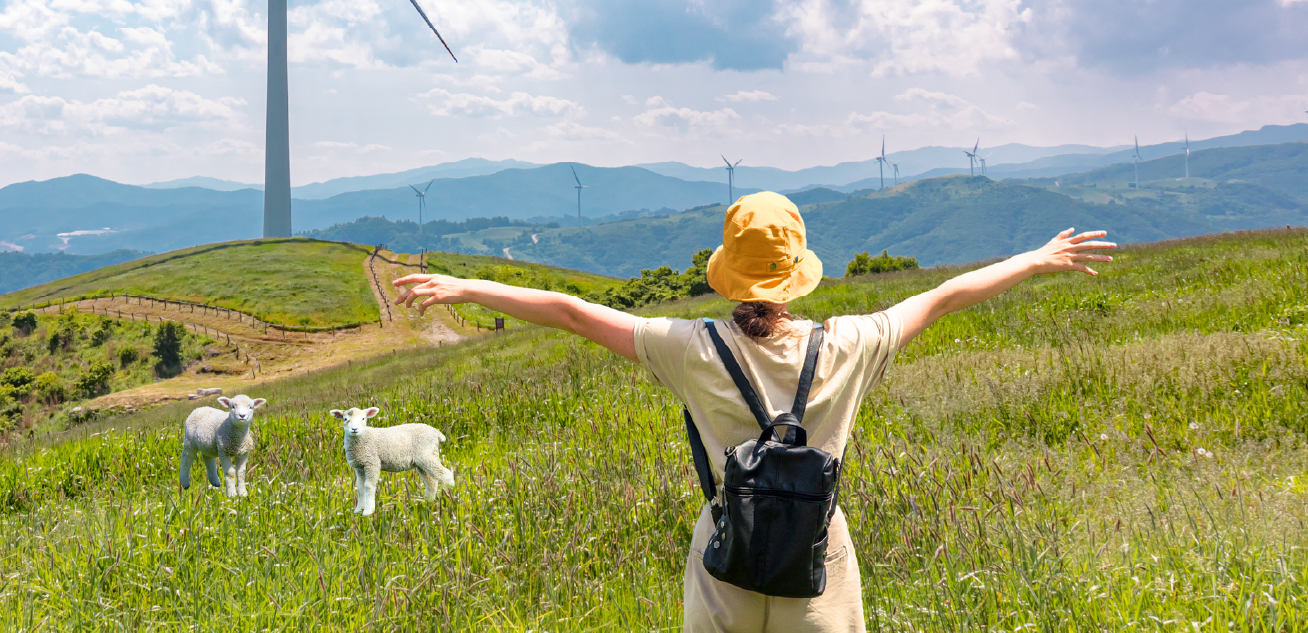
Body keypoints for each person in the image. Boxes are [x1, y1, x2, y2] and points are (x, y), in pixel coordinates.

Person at [393, 191, 1114, 633]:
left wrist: (465, 285)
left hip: (725, 551)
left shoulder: (689, 348)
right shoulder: (853, 343)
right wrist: (1035, 257)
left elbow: (572, 313)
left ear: (727, 274)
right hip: (819, 554)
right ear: (799, 272)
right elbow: (947, 294)